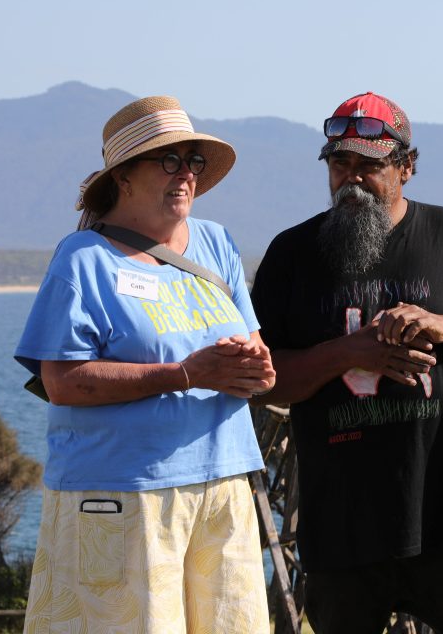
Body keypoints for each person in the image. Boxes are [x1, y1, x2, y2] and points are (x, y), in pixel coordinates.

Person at [250, 91, 443, 634]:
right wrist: (348, 352)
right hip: (342, 536)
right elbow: (264, 381)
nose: (351, 178)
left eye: (368, 165)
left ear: (406, 166)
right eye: (339, 163)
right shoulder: (291, 253)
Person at [14, 95, 276, 633]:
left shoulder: (216, 242)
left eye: (193, 162)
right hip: (123, 489)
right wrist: (185, 374)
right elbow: (60, 381)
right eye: (169, 160)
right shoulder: (83, 259)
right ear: (124, 176)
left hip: (224, 482)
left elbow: (253, 347)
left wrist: (257, 369)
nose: (185, 175)